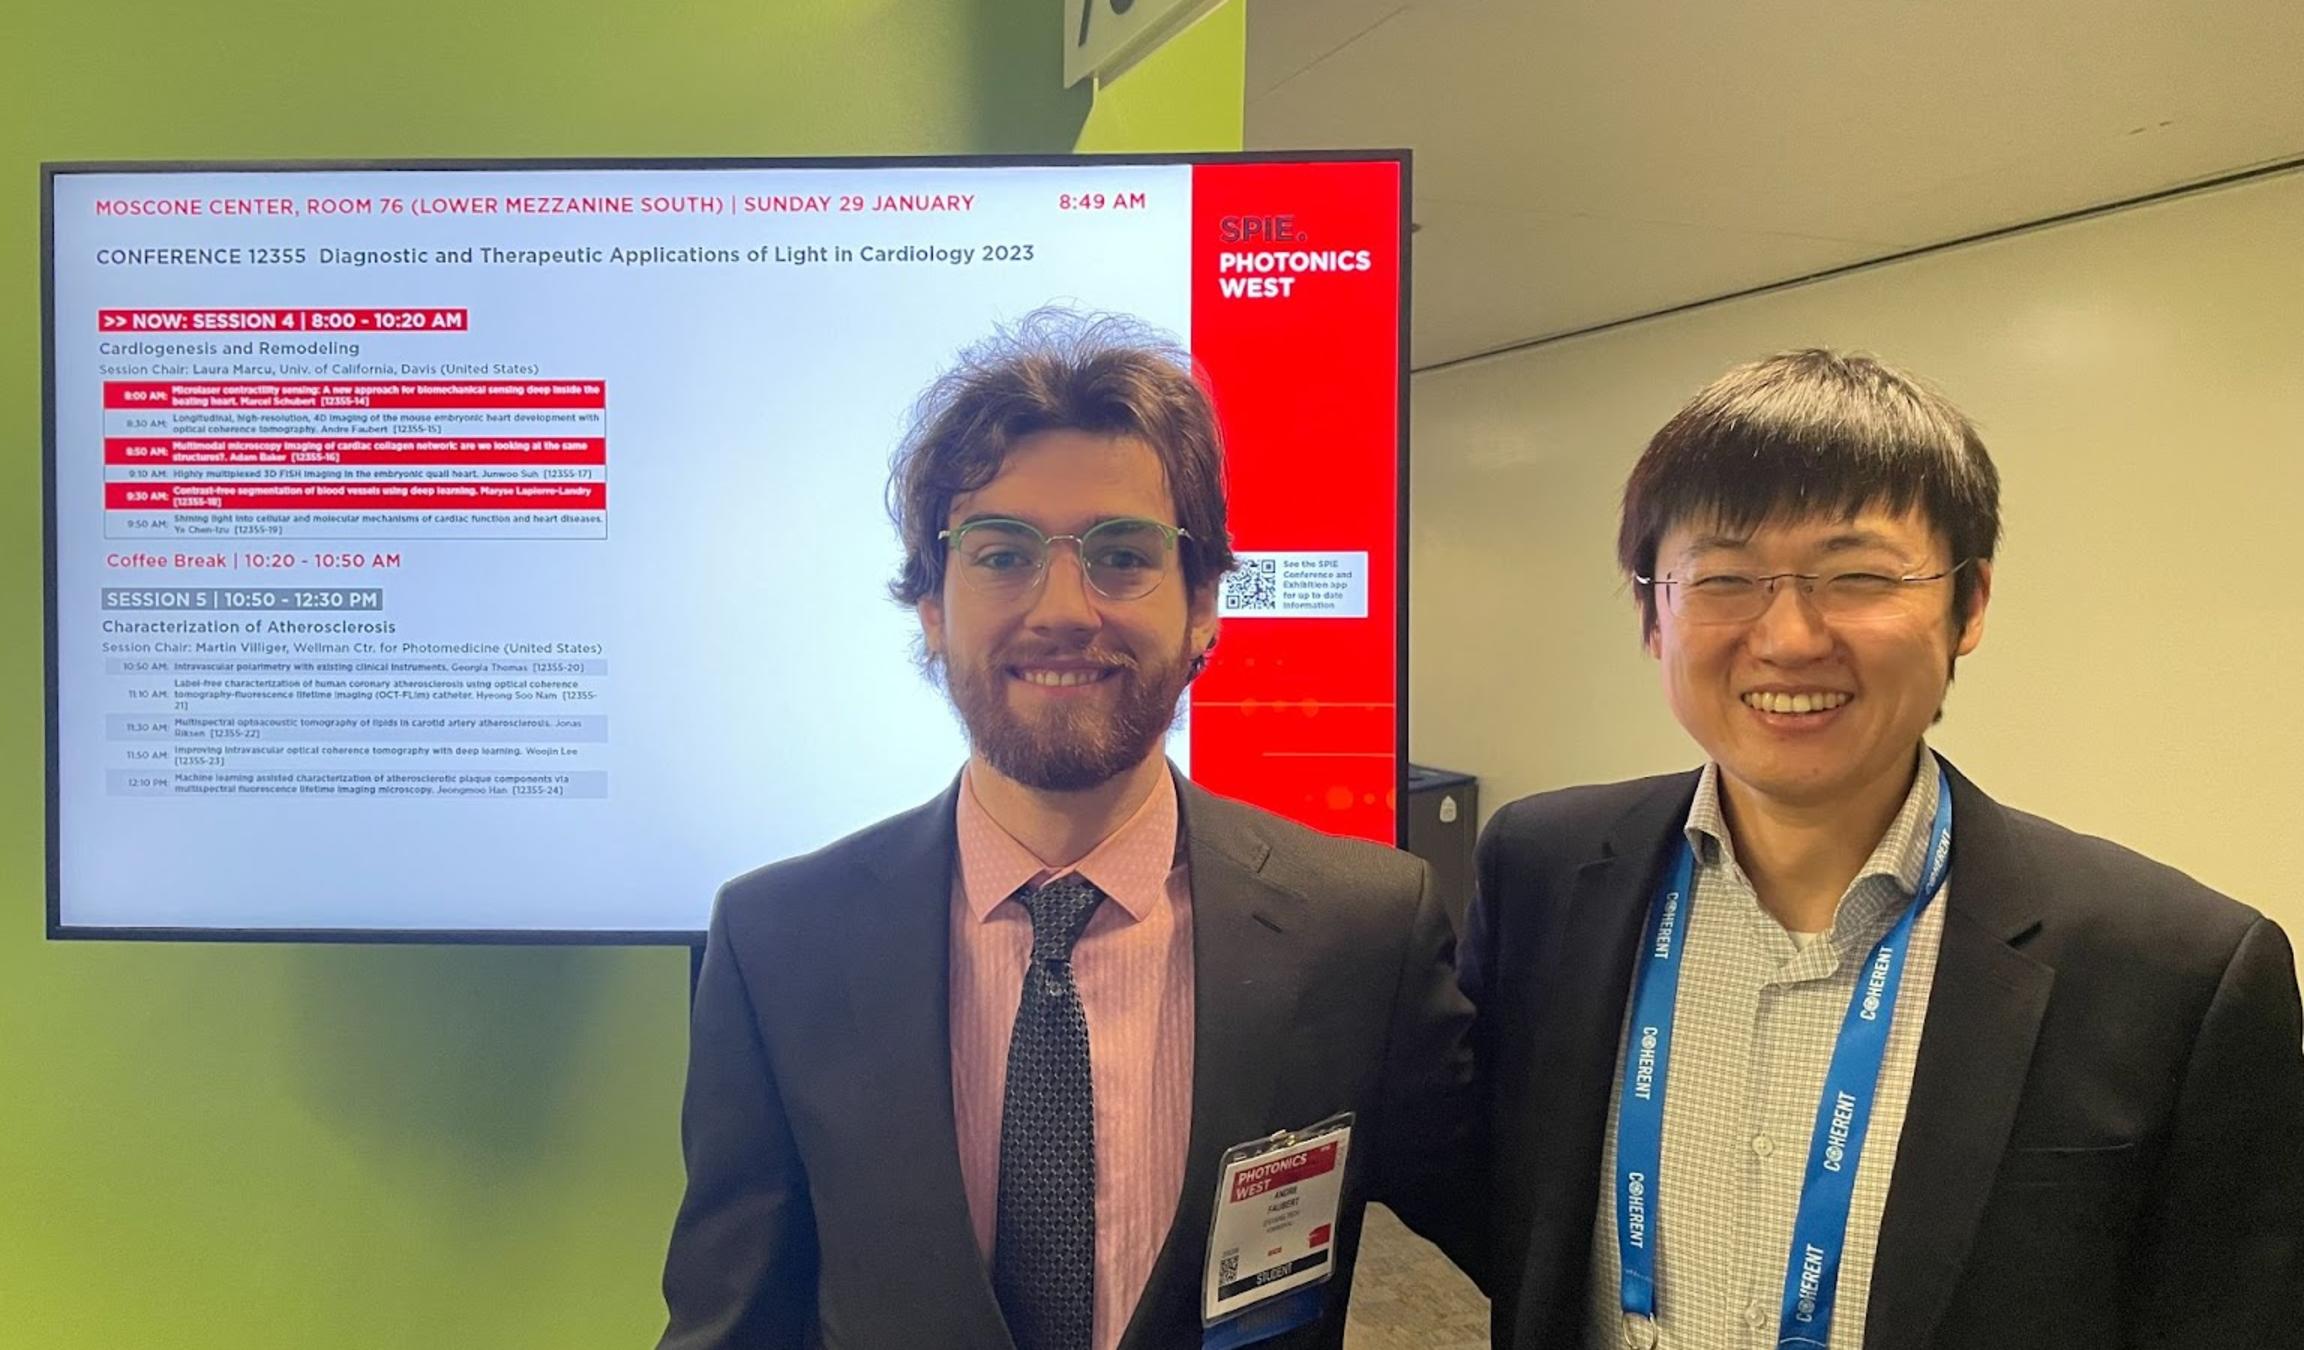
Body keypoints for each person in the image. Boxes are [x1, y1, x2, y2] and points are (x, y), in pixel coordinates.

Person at [656, 309, 1473, 1350]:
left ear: (1204, 604)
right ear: (931, 607)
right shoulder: (780, 942)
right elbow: (733, 1325)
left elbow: (1544, 1236)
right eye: (1002, 554)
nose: (1063, 610)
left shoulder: (1361, 931)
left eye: (1121, 554)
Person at [1456, 349, 2304, 1349]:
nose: (1789, 638)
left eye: (1856, 575)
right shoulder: (1543, 876)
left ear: (1969, 604)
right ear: (1653, 614)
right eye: (1724, 577)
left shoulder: (2178, 974)